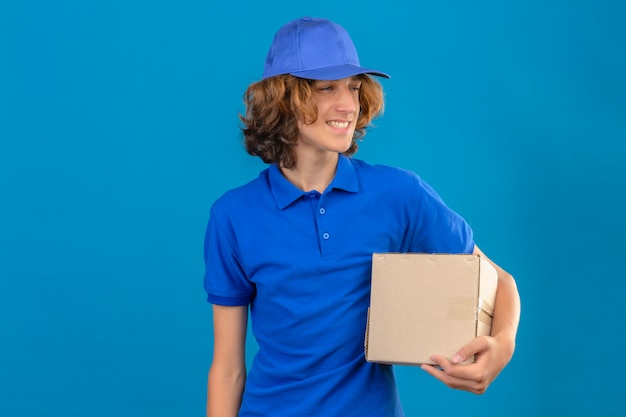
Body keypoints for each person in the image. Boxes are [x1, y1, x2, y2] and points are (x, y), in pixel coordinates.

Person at [203, 16, 520, 417]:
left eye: (353, 87)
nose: (348, 104)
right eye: (327, 89)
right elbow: (228, 369)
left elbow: (500, 282)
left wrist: (503, 346)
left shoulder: (398, 195)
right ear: (283, 99)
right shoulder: (233, 216)